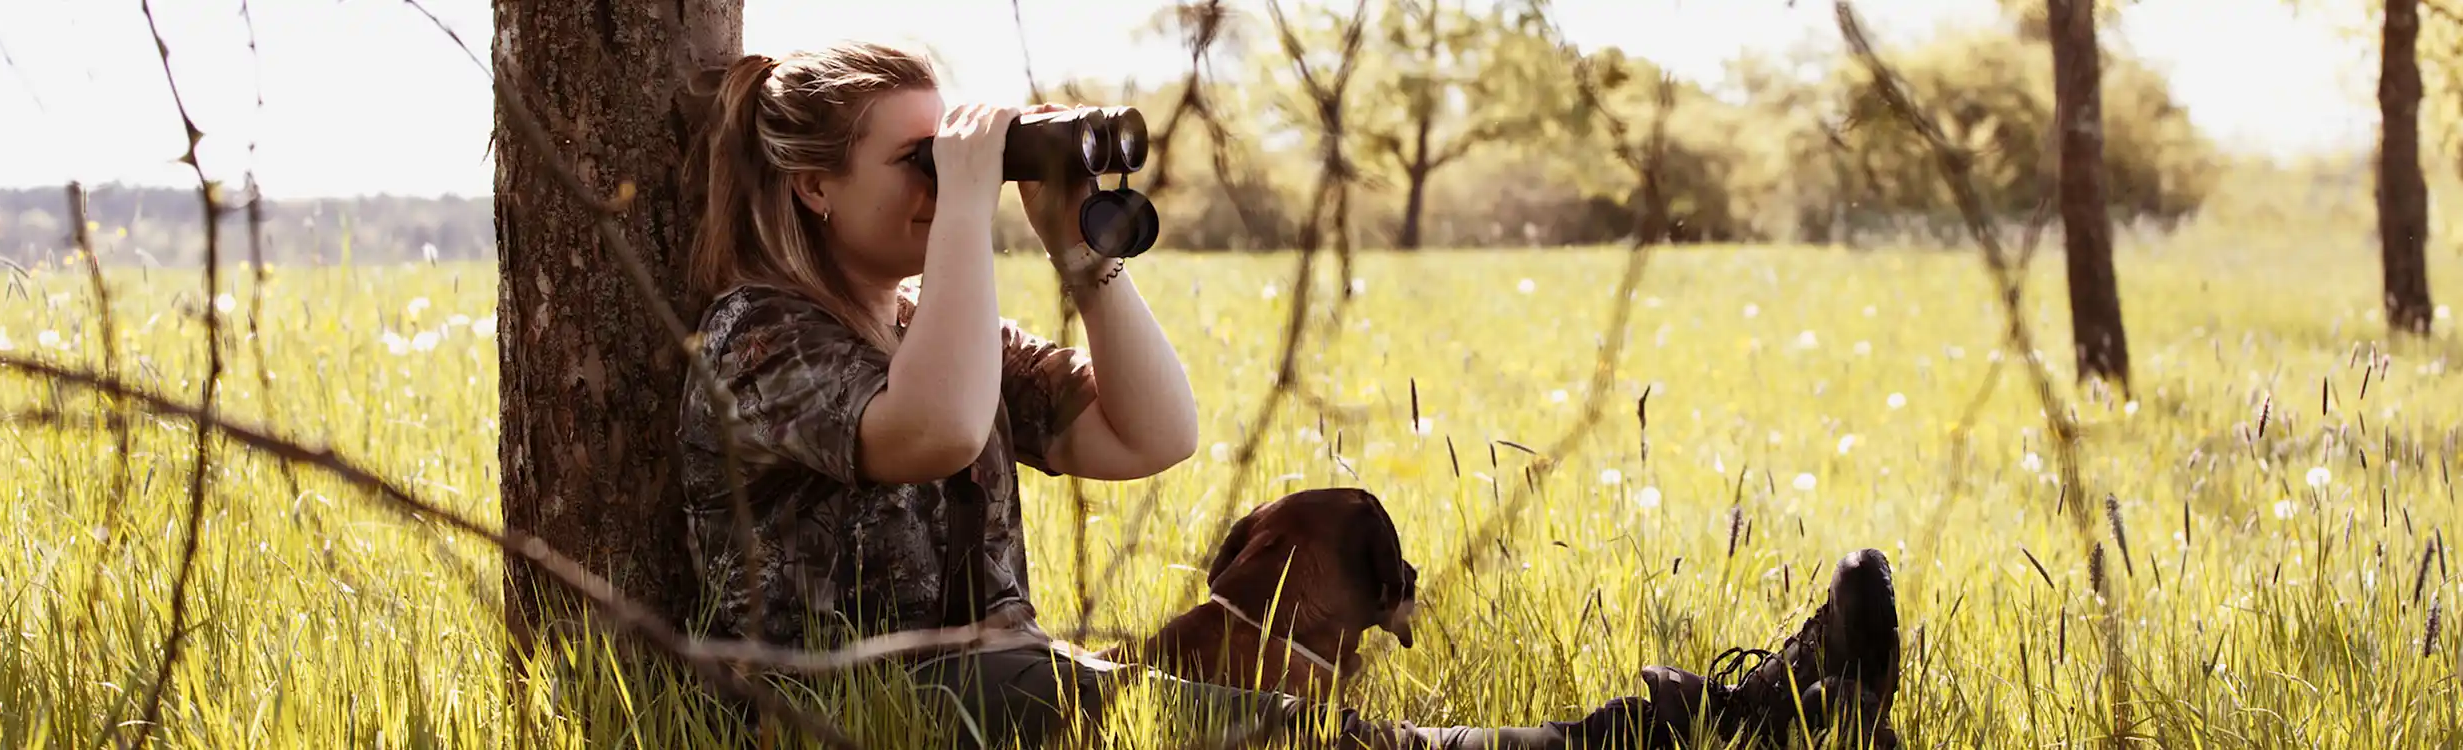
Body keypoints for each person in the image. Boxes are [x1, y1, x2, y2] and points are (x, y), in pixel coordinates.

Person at [672, 40, 1906, 750]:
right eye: (918, 163)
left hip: (997, 693)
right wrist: (971, 203)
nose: (951, 187)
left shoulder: (935, 330)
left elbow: (1152, 432)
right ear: (816, 189)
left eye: (959, 156)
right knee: (1269, 735)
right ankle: (1723, 723)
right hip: (833, 714)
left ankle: (1723, 717)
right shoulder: (755, 342)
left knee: (1275, 728)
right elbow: (931, 427)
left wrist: (1077, 250)